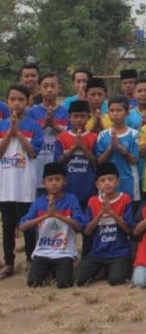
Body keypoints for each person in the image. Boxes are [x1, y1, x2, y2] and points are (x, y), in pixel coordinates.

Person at [0, 84, 43, 279]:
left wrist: (18, 132)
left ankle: (30, 259)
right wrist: (10, 132)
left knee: (28, 223)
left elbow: (33, 152)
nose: (16, 103)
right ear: (7, 101)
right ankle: (9, 262)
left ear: (28, 102)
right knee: (8, 224)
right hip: (6, 185)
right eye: (12, 99)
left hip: (25, 183)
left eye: (20, 100)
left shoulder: (34, 126)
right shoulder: (1, 125)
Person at [19, 163, 84, 288]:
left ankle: (56, 270)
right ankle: (49, 270)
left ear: (64, 181)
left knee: (65, 284)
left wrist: (57, 214)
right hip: (43, 251)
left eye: (58, 179)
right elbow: (22, 226)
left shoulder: (71, 200)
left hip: (64, 252)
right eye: (50, 180)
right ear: (44, 182)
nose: (54, 183)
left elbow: (79, 226)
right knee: (33, 283)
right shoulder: (38, 202)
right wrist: (46, 216)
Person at [76, 162, 133, 286]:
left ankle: (110, 270)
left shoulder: (125, 199)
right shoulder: (93, 201)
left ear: (118, 181)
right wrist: (100, 214)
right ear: (97, 185)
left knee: (115, 280)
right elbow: (87, 231)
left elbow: (128, 229)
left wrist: (112, 212)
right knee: (79, 279)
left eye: (111, 179)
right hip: (98, 252)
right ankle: (102, 269)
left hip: (119, 252)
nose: (107, 183)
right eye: (103, 180)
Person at [26, 72, 69, 185]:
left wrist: (54, 126)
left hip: (59, 168)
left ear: (58, 89)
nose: (49, 89)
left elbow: (71, 137)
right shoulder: (31, 113)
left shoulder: (66, 113)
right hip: (36, 168)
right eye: (45, 87)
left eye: (53, 86)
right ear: (39, 89)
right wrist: (44, 125)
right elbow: (28, 138)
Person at [55, 100, 98, 208]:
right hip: (67, 189)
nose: (79, 119)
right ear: (69, 117)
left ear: (89, 117)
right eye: (75, 116)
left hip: (89, 188)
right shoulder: (61, 137)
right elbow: (57, 162)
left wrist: (83, 148)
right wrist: (73, 149)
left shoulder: (94, 137)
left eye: (82, 116)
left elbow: (97, 162)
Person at [96, 96, 140, 200]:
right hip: (107, 184)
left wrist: (121, 149)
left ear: (127, 112)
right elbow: (99, 161)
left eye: (119, 110)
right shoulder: (102, 135)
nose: (115, 113)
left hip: (129, 182)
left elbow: (135, 160)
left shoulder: (134, 134)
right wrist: (111, 147)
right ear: (108, 113)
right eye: (112, 111)